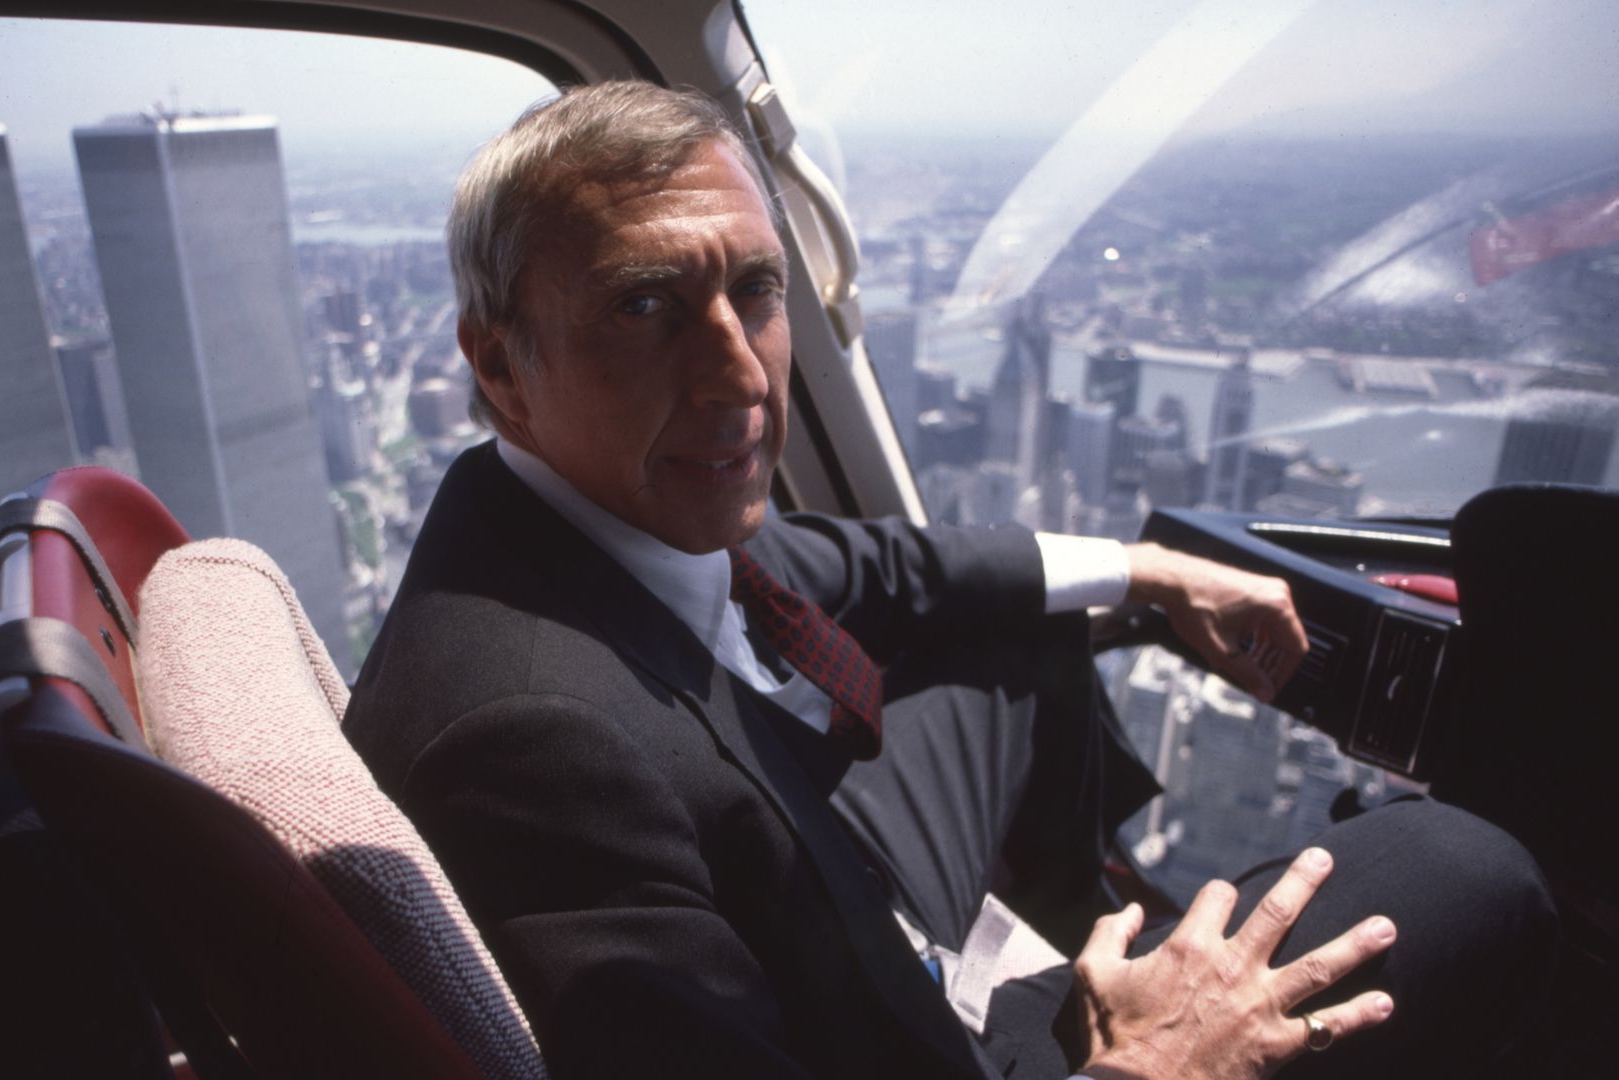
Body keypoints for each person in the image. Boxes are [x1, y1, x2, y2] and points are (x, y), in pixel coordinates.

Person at [341, 81, 1555, 1079]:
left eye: (754, 291)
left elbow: (879, 566)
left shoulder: (573, 509)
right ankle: (1092, 1009)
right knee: (1465, 867)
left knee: (1021, 633)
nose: (741, 379)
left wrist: (1149, 568)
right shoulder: (536, 743)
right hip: (911, 1040)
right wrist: (1156, 1065)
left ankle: (1084, 932)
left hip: (833, 900)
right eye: (645, 304)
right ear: (501, 364)